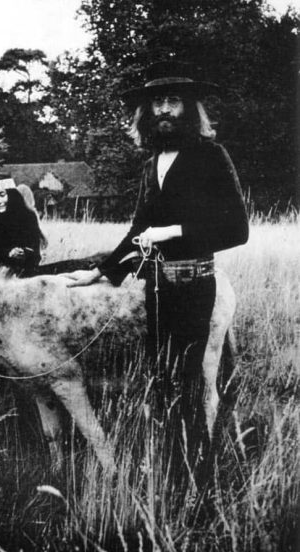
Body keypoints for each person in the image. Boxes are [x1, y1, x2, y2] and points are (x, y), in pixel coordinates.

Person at [67, 62, 249, 477]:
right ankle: (172, 470)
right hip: (155, 289)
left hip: (193, 284)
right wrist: (101, 272)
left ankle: (198, 481)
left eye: (173, 102)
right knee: (162, 382)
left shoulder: (211, 155)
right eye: (157, 103)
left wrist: (171, 231)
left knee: (186, 386)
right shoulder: (151, 163)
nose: (165, 110)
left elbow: (237, 229)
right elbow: (136, 229)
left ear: (189, 109)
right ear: (145, 113)